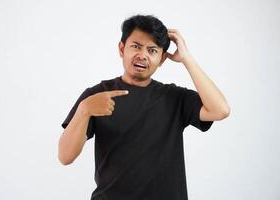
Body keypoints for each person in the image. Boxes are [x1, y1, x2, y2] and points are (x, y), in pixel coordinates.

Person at [58, 14, 230, 200]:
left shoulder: (174, 97)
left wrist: (187, 58)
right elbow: (65, 156)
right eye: (136, 46)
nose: (143, 55)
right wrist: (84, 110)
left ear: (162, 59)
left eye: (152, 50)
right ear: (122, 49)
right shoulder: (96, 96)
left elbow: (220, 110)